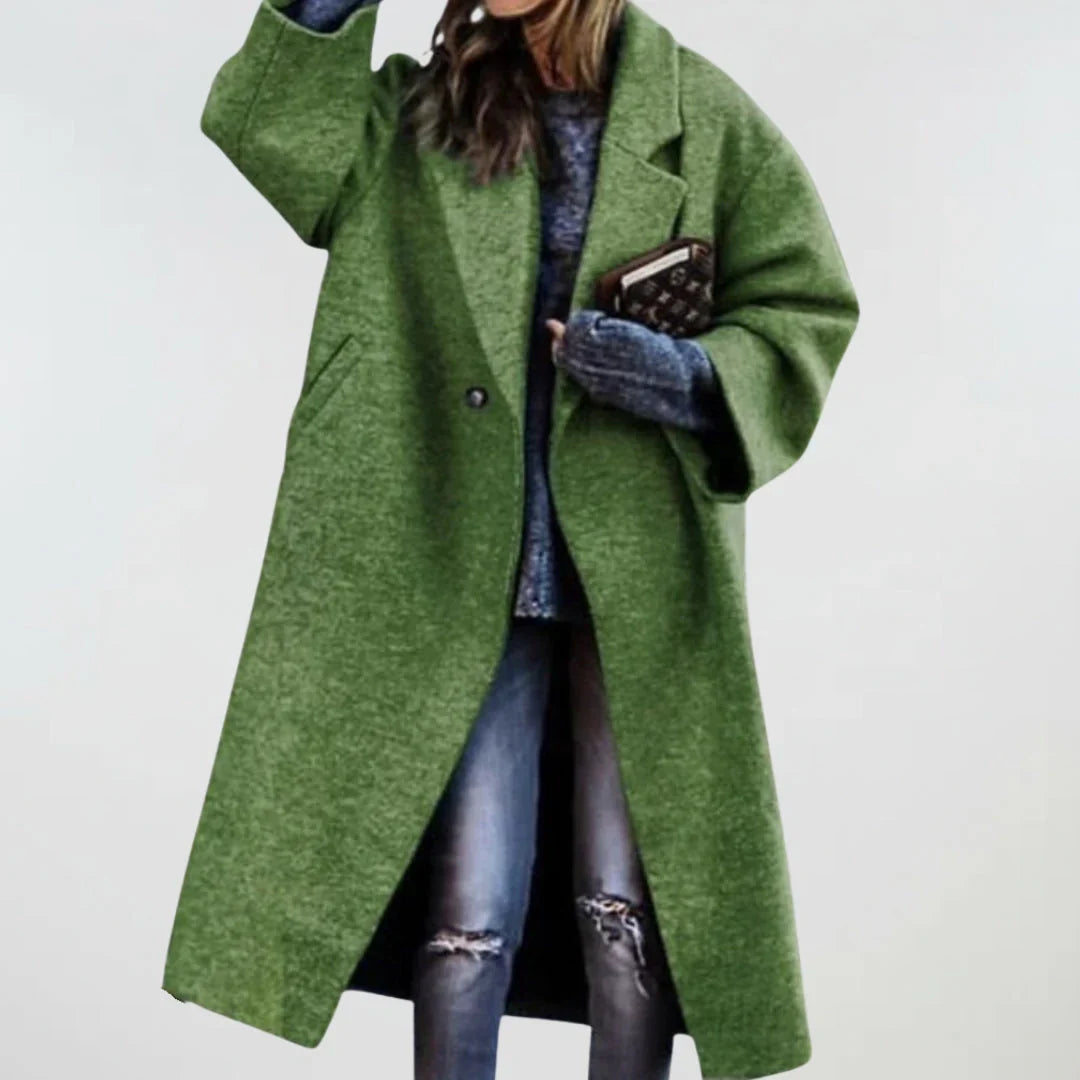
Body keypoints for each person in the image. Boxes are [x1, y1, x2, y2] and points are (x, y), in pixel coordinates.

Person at [163, 1, 860, 1078]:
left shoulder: (706, 121)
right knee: (466, 913)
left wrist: (674, 373)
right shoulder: (422, 113)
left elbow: (805, 308)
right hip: (455, 563)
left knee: (624, 912)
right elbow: (273, 132)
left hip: (635, 576)